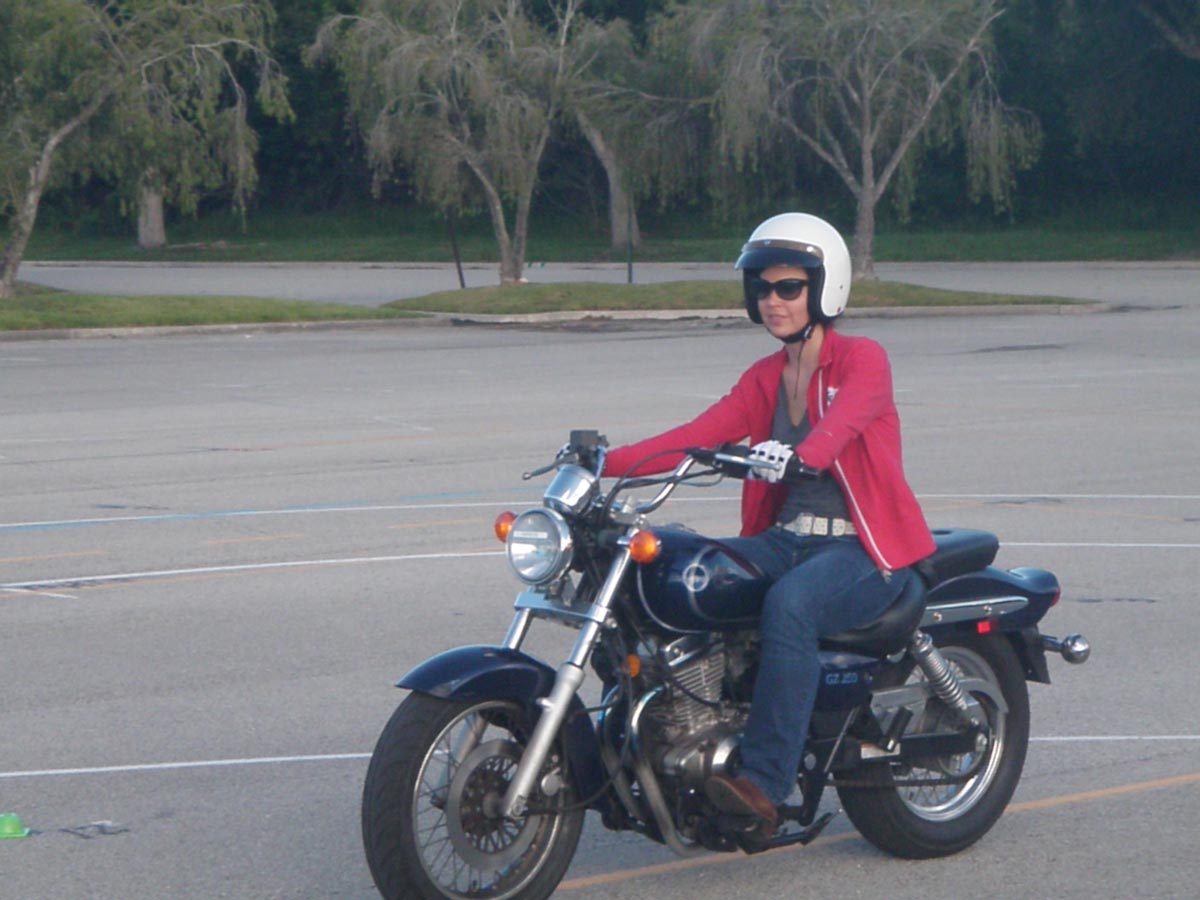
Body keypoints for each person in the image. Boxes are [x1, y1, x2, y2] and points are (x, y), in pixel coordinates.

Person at [601, 212, 936, 833]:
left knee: (791, 605)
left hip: (865, 551)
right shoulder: (763, 378)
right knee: (676, 571)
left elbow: (846, 421)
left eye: (789, 287)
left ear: (824, 289)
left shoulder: (862, 359)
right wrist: (604, 462)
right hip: (785, 541)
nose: (772, 300)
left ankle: (765, 784)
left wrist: (804, 454)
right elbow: (697, 435)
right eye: (762, 288)